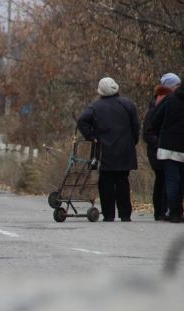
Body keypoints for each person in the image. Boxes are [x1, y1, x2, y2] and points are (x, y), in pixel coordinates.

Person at [77, 77, 140, 222]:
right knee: (123, 181)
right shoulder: (128, 104)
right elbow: (136, 127)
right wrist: (132, 141)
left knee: (106, 183)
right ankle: (125, 214)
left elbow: (82, 121)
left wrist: (91, 137)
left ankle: (109, 214)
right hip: (125, 149)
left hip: (103, 150)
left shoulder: (95, 107)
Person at [142, 73, 180, 221]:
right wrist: (159, 143)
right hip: (161, 148)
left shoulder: (161, 101)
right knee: (164, 179)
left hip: (163, 147)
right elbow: (149, 129)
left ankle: (162, 211)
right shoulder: (164, 102)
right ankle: (164, 210)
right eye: (176, 85)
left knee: (164, 180)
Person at [152, 74, 184, 223]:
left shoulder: (170, 100)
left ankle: (175, 212)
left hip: (169, 146)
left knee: (171, 181)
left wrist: (161, 134)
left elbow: (155, 120)